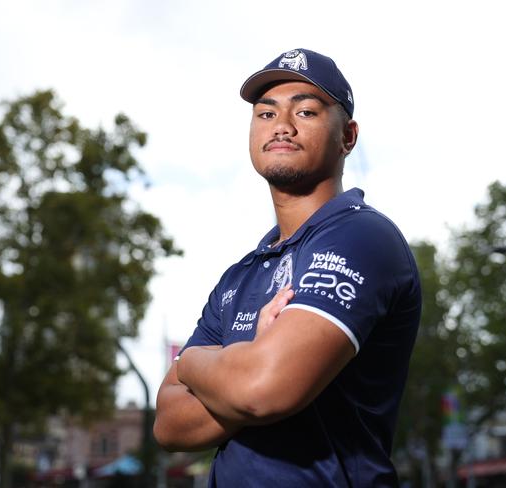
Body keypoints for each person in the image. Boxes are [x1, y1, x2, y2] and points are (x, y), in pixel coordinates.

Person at [153, 48, 422, 487]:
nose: (282, 125)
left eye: (307, 111)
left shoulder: (362, 238)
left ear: (347, 137)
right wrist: (241, 365)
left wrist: (192, 364)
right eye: (265, 113)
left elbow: (264, 388)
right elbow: (169, 424)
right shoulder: (239, 276)